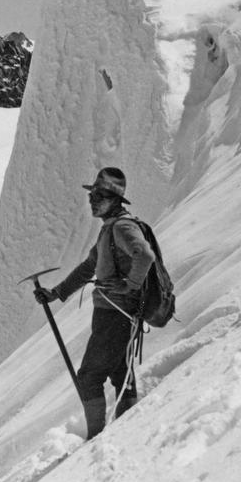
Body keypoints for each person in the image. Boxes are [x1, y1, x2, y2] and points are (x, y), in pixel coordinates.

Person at [33, 168, 155, 439]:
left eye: (99, 195)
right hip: (115, 312)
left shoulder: (122, 227)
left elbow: (144, 255)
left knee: (89, 377)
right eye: (92, 195)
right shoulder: (110, 229)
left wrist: (130, 285)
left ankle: (96, 438)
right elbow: (90, 265)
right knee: (119, 370)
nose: (92, 200)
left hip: (116, 312)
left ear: (114, 199)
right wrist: (56, 293)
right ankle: (129, 425)